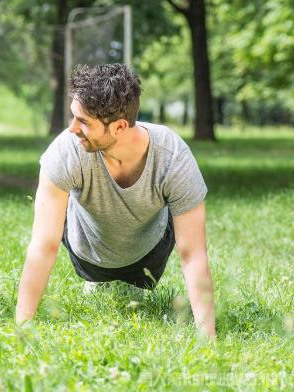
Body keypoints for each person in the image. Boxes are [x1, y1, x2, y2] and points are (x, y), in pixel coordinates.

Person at [16, 64, 215, 337]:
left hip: (149, 258)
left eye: (84, 122)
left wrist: (208, 336)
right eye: (74, 117)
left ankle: (129, 284)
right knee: (58, 205)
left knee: (180, 210)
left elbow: (193, 254)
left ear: (120, 126)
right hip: (86, 256)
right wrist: (22, 326)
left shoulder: (172, 156)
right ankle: (98, 281)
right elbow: (43, 245)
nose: (72, 128)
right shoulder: (65, 151)